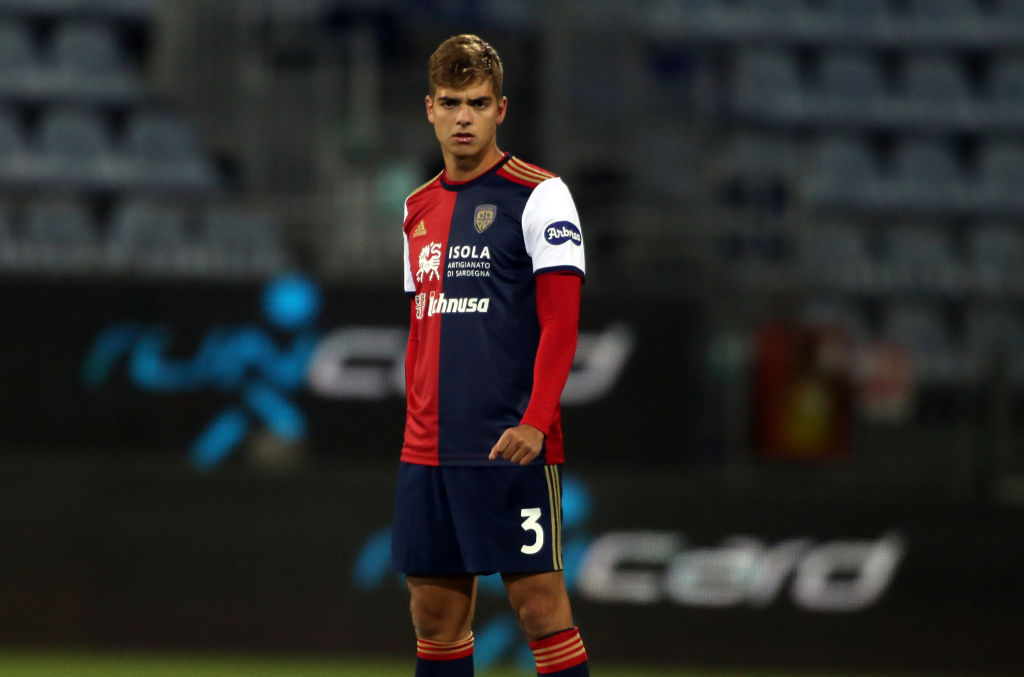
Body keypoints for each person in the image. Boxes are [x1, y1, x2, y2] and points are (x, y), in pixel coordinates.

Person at [391, 34, 589, 677]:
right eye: (450, 102)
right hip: (430, 448)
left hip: (512, 442)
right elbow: (421, 328)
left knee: (538, 607)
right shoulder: (416, 208)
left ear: (501, 109)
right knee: (435, 617)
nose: (464, 117)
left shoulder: (542, 195)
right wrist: (415, 419)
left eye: (478, 102)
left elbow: (562, 326)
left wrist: (535, 421)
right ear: (430, 109)